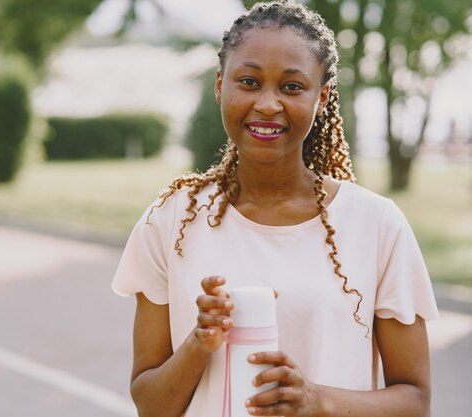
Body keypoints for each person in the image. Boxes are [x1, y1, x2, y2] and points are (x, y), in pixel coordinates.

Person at [112, 1, 439, 416]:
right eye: (248, 82)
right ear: (219, 86)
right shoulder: (170, 221)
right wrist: (199, 343)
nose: (268, 104)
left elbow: (415, 401)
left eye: (291, 87)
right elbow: (151, 406)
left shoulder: (376, 224)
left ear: (321, 97)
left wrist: (317, 400)